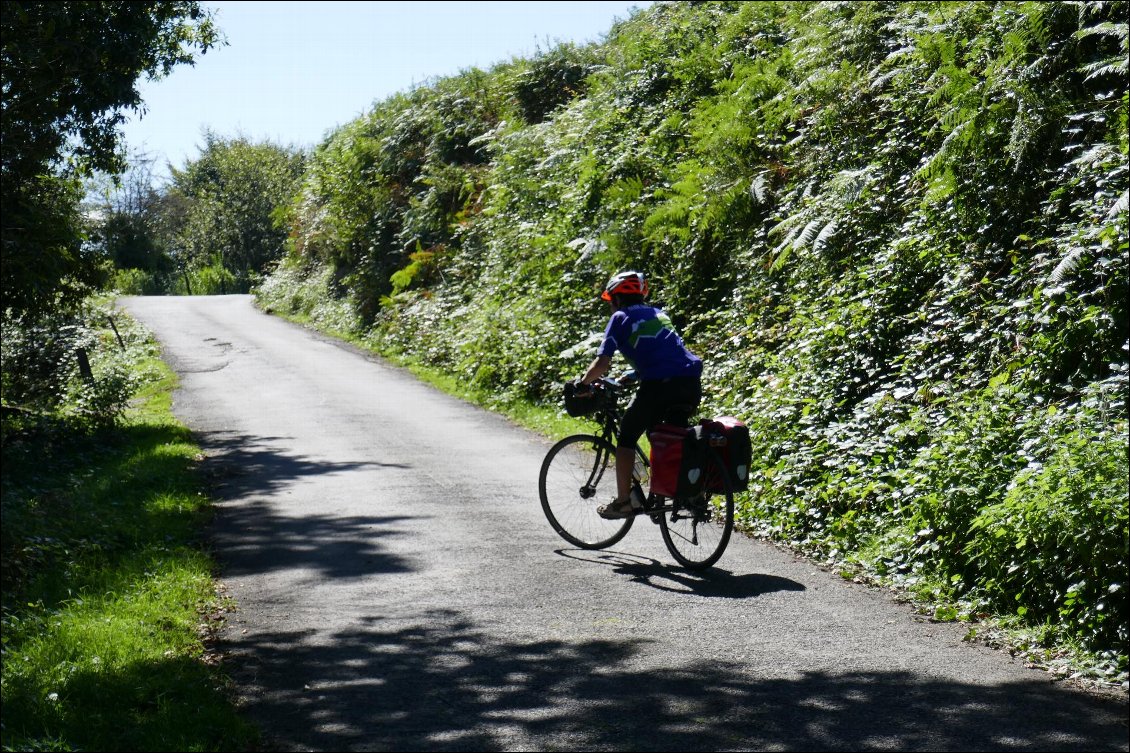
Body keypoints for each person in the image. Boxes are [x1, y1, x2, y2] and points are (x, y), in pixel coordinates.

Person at [577, 270, 703, 519]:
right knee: (666, 435)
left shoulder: (620, 317)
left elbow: (602, 364)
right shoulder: (659, 314)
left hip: (659, 387)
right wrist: (631, 376)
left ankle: (624, 502)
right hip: (690, 383)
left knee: (626, 436)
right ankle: (683, 491)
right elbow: (667, 353)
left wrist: (583, 384)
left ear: (615, 298)